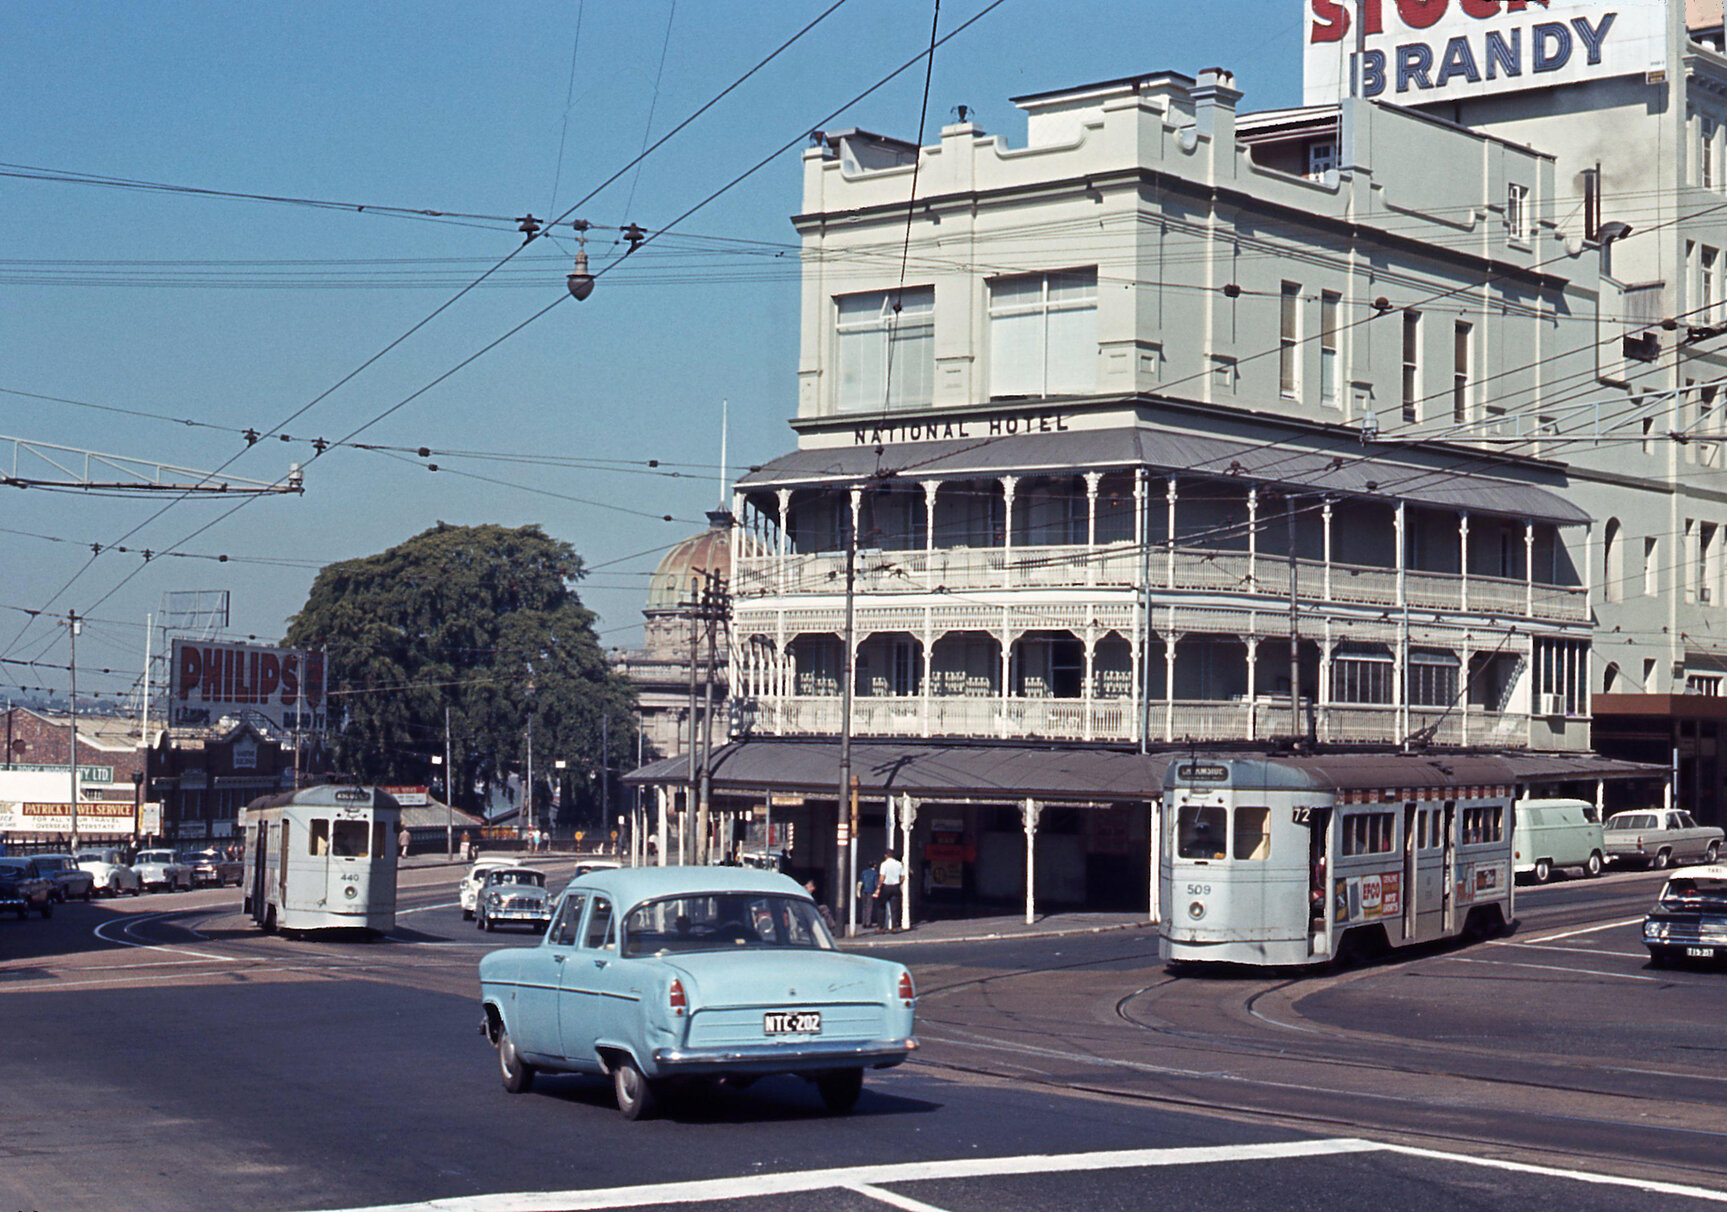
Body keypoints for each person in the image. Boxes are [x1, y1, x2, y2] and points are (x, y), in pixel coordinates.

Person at [876, 850, 905, 933]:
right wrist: (899, 883)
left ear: (886, 855)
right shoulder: (899, 864)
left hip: (886, 887)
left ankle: (881, 927)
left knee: (881, 907)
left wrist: (878, 887)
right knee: (894, 908)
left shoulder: (884, 864)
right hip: (895, 887)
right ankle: (894, 927)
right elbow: (903, 877)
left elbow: (882, 877)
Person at [857, 858, 879, 930]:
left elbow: (860, 882)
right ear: (874, 865)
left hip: (864, 890)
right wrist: (877, 890)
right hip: (870, 890)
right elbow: (876, 883)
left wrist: (858, 892)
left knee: (864, 907)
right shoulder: (875, 873)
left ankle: (863, 922)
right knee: (869, 907)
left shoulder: (864, 872)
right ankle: (868, 922)